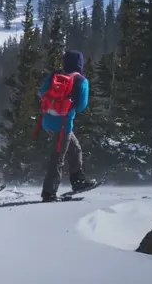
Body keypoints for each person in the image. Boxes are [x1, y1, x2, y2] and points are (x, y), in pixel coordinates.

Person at [36, 50, 98, 202]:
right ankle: (49, 193)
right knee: (58, 157)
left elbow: (42, 91)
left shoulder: (54, 75)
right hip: (63, 125)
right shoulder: (81, 80)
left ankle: (78, 181)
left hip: (48, 122)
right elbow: (81, 106)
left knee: (75, 148)